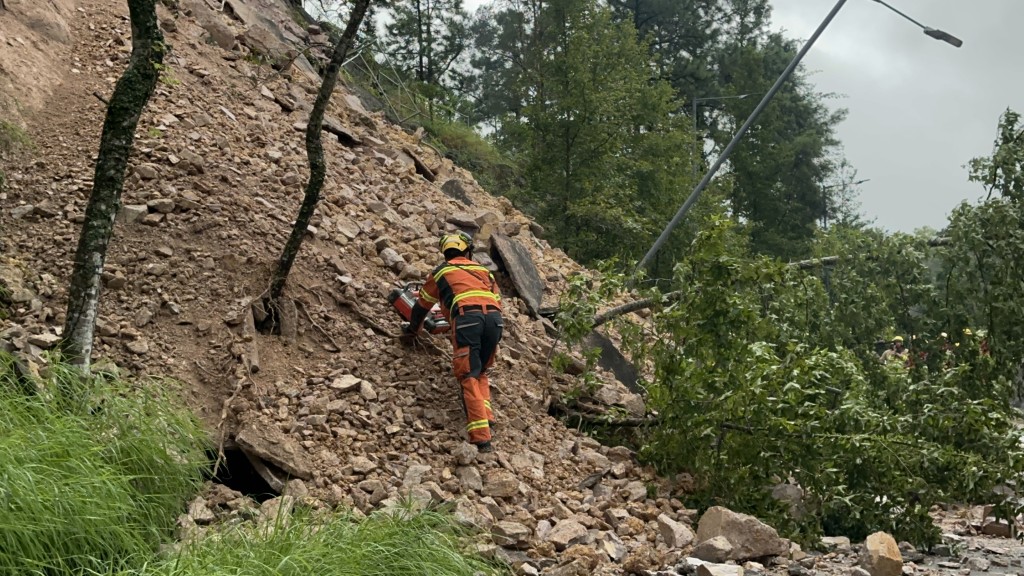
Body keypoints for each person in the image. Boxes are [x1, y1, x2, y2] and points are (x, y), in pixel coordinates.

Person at [402, 231, 503, 453]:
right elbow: (494, 301)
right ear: (468, 252)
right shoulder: (484, 272)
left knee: (467, 374)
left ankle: (481, 438)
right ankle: (487, 415)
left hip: (467, 319)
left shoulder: (441, 272)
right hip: (495, 321)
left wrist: (413, 331)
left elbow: (422, 306)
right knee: (481, 370)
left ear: (446, 253)